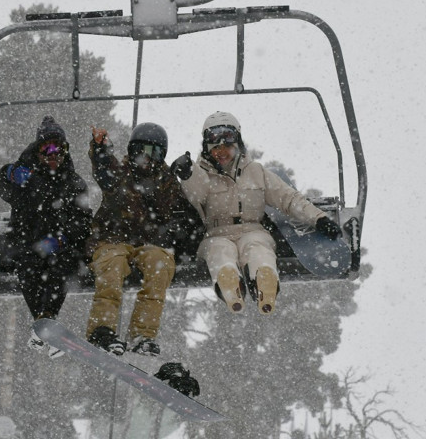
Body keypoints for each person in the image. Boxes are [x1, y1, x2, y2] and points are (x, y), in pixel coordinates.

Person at [170, 111, 342, 315]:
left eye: (227, 147)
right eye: (216, 148)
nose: (222, 153)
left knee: (259, 249)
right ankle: (229, 283)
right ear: (207, 149)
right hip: (216, 233)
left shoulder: (256, 172)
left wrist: (319, 219)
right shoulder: (200, 174)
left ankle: (264, 281)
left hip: (252, 229)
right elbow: (195, 196)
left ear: (237, 144)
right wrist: (187, 175)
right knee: (219, 251)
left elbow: (288, 198)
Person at [85, 122, 202, 356]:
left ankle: (142, 333)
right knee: (113, 266)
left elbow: (180, 211)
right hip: (112, 239)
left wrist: (184, 176)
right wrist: (99, 149)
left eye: (154, 152)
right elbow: (103, 169)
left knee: (161, 264)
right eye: (140, 150)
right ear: (131, 151)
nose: (146, 158)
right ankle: (102, 329)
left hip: (147, 243)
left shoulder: (165, 180)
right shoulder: (120, 172)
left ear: (162, 155)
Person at [0, 115, 93, 358]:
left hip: (59, 245)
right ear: (37, 151)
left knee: (62, 264)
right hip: (27, 242)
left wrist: (63, 238)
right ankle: (46, 322)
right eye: (47, 149)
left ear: (65, 152)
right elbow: (3, 189)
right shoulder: (26, 177)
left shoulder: (73, 183)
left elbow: (83, 221)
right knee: (27, 265)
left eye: (59, 150)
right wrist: (8, 173)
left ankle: (44, 325)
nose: (53, 156)